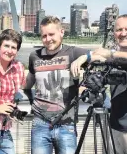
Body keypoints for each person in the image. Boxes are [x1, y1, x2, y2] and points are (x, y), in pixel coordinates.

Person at [72, 14, 127, 154]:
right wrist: (83, 58)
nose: (123, 34)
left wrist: (111, 54)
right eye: (119, 30)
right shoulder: (111, 57)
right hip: (114, 127)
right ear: (114, 33)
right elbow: (96, 56)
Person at [24, 16, 92, 154]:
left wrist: (84, 58)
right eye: (44, 36)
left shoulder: (73, 52)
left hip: (66, 124)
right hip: (40, 124)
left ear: (61, 32)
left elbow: (104, 54)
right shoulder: (34, 56)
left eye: (51, 34)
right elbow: (27, 84)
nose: (48, 39)